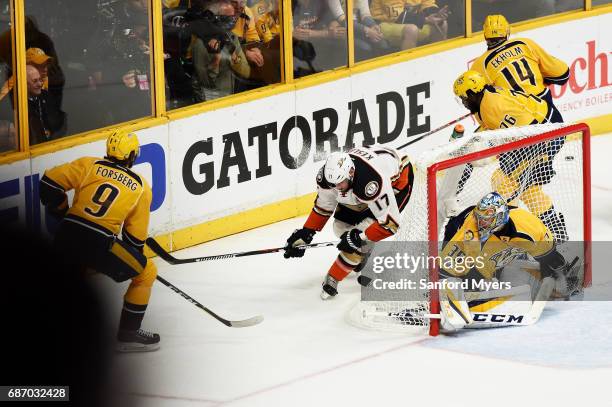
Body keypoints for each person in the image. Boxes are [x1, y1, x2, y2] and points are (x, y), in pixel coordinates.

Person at [39, 130, 160, 352]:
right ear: (132, 155)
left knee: (69, 283)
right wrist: (133, 261)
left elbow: (48, 183)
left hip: (67, 235)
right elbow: (134, 241)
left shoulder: (88, 165)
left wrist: (62, 212)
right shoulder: (141, 187)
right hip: (100, 242)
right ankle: (128, 332)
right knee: (147, 273)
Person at [452, 69, 568, 242]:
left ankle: (510, 236)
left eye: (464, 98)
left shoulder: (492, 107)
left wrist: (542, 158)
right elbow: (494, 129)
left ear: (473, 93)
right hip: (539, 133)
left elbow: (515, 136)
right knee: (525, 188)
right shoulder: (486, 98)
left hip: (545, 136)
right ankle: (555, 231)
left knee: (505, 185)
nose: (464, 103)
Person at [284, 146, 414, 299]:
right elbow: (325, 205)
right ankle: (363, 254)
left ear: (351, 173)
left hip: (397, 182)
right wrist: (307, 232)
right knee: (341, 227)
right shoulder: (329, 178)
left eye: (340, 184)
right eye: (333, 185)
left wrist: (360, 238)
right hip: (366, 172)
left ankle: (335, 276)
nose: (336, 189)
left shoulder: (370, 181)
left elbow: (390, 224)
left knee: (362, 236)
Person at [437, 192, 576, 330]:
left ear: (500, 217)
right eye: (479, 218)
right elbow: (447, 269)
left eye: (487, 220)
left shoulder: (529, 227)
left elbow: (549, 252)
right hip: (458, 231)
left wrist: (555, 272)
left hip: (502, 240)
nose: (481, 224)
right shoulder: (470, 231)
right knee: (468, 279)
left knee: (552, 267)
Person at [470, 14, 569, 115]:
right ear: (507, 31)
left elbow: (480, 106)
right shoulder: (524, 43)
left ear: (485, 35)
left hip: (517, 116)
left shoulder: (478, 66)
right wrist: (543, 79)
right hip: (544, 105)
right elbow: (562, 74)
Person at [367, 0, 449, 51]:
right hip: (383, 24)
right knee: (411, 30)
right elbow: (396, 15)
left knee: (442, 24)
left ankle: (435, 63)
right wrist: (426, 20)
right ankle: (408, 70)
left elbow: (428, 4)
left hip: (412, 23)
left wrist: (436, 14)